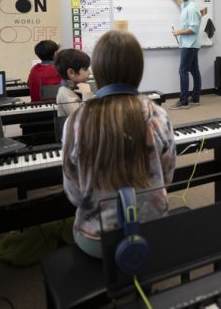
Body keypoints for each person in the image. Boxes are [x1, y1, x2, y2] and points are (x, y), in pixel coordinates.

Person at [62, 30, 176, 258]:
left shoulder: (76, 120)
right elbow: (167, 177)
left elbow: (73, 194)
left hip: (96, 241)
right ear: (138, 70)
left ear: (99, 70)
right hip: (151, 232)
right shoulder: (157, 114)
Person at [165, 0, 201, 109]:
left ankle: (184, 101)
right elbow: (179, 3)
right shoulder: (186, 5)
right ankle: (195, 98)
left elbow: (194, 29)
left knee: (183, 70)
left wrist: (178, 32)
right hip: (190, 44)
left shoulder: (192, 8)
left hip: (189, 45)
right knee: (194, 71)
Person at [53, 48, 91, 117]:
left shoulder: (76, 88)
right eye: (85, 69)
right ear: (71, 73)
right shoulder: (64, 93)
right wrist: (87, 95)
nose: (89, 72)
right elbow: (83, 119)